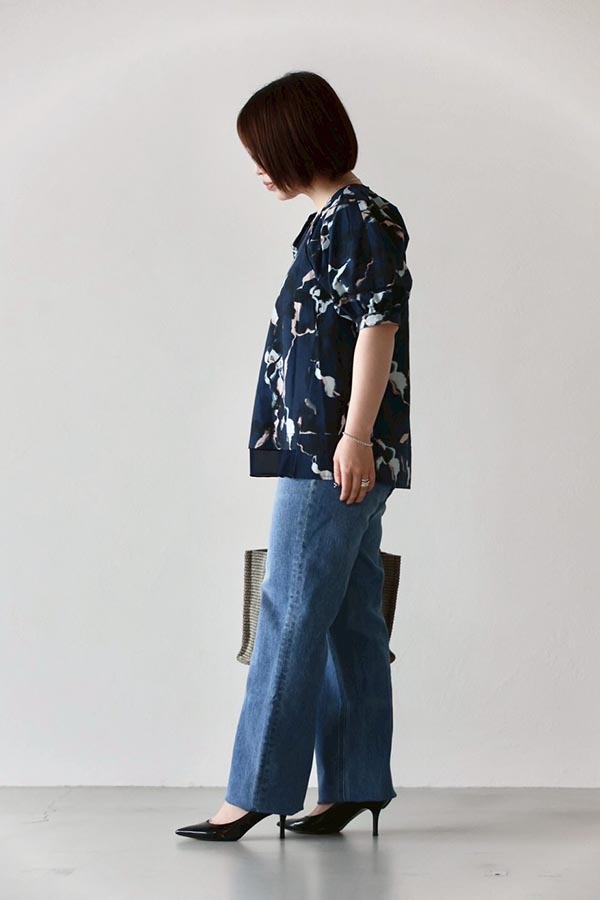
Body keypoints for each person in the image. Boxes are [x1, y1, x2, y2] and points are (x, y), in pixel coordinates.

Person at [175, 70, 413, 842]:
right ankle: (353, 782)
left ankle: (255, 790)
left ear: (294, 143)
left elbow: (379, 326)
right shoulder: (332, 221)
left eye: (261, 151)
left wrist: (355, 436)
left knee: (288, 606)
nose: (256, 167)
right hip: (335, 449)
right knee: (349, 613)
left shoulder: (359, 217)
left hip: (333, 453)